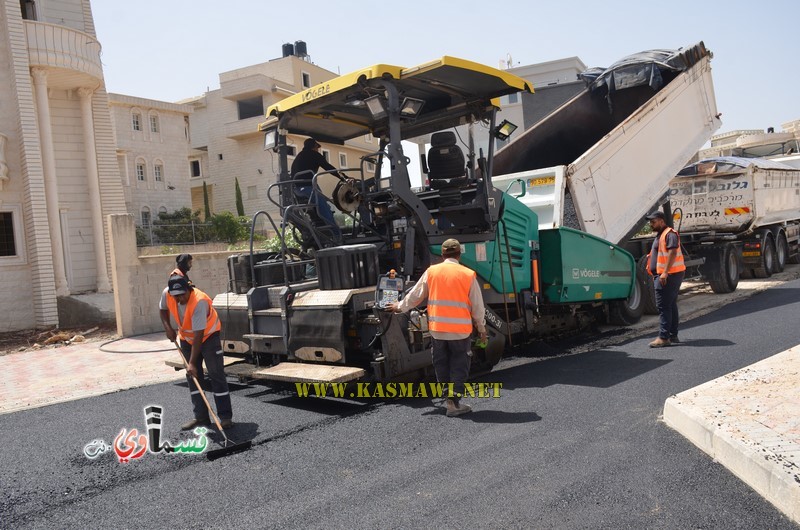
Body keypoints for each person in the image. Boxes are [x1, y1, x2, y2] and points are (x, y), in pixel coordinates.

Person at [387, 239, 488, 417]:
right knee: (459, 365)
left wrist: (399, 307)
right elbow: (478, 308)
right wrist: (482, 329)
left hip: (438, 330)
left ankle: (449, 401)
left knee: (441, 364)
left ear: (442, 255)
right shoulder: (467, 274)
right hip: (459, 333)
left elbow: (415, 295)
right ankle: (454, 404)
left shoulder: (432, 272)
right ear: (459, 255)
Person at [159, 274, 234, 430]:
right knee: (193, 377)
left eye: (181, 295)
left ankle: (225, 417)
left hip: (208, 337)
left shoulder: (199, 302)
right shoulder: (167, 293)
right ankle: (201, 418)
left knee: (215, 374)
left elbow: (199, 335)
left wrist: (192, 362)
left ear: (189, 289)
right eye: (176, 296)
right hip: (186, 338)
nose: (179, 299)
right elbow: (162, 309)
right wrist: (168, 328)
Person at [646, 211, 686, 347]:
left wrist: (665, 272)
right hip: (668, 274)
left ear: (662, 221)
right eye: (650, 222)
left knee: (663, 306)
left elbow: (673, 252)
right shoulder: (661, 234)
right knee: (670, 304)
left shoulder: (670, 234)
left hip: (669, 275)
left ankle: (664, 337)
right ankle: (673, 335)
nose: (651, 224)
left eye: (653, 221)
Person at [290, 137, 342, 238]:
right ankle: (336, 234)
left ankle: (321, 229)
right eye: (317, 147)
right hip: (308, 188)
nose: (317, 149)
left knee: (320, 204)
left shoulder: (299, 156)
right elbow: (328, 168)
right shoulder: (314, 155)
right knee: (324, 208)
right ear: (314, 147)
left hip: (297, 190)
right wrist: (344, 178)